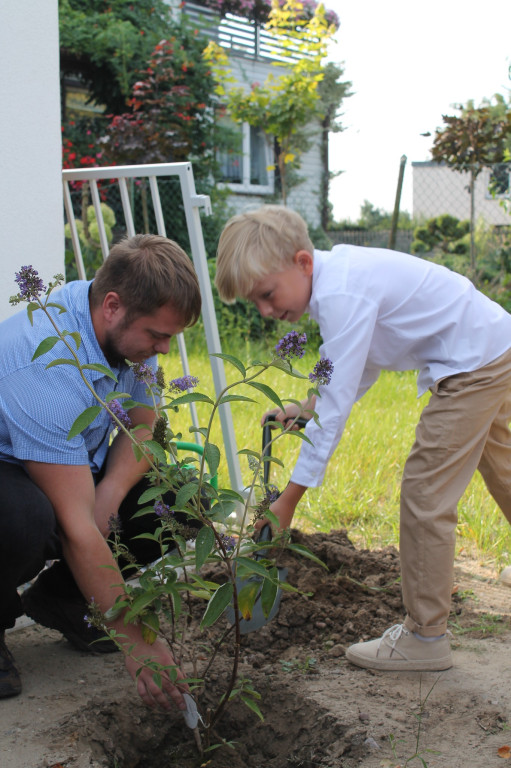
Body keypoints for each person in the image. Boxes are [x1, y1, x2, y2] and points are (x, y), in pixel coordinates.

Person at [215, 204, 511, 672]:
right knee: (503, 468)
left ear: (303, 262)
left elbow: (336, 411)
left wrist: (287, 500)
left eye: (267, 294)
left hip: (471, 363)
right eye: (256, 303)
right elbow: (354, 371)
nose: (267, 311)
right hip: (494, 345)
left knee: (425, 494)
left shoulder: (341, 296)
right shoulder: (342, 280)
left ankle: (425, 636)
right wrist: (308, 408)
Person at [0, 234, 202, 706]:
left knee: (178, 497)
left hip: (61, 467)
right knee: (27, 519)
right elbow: (76, 526)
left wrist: (111, 487)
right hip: (7, 475)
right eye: (157, 335)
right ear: (112, 306)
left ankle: (63, 599)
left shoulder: (121, 340)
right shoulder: (48, 360)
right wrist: (137, 641)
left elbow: (145, 428)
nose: (165, 351)